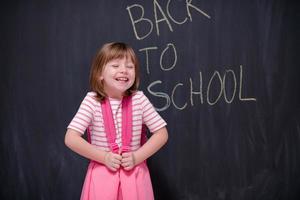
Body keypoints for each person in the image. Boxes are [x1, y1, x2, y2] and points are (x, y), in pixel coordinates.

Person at [64, 42, 168, 200]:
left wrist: (137, 157)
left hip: (135, 177)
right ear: (100, 74)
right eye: (115, 65)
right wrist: (104, 157)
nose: (124, 70)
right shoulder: (91, 101)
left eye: (130, 66)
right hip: (102, 177)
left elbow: (162, 133)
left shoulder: (139, 99)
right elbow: (71, 138)